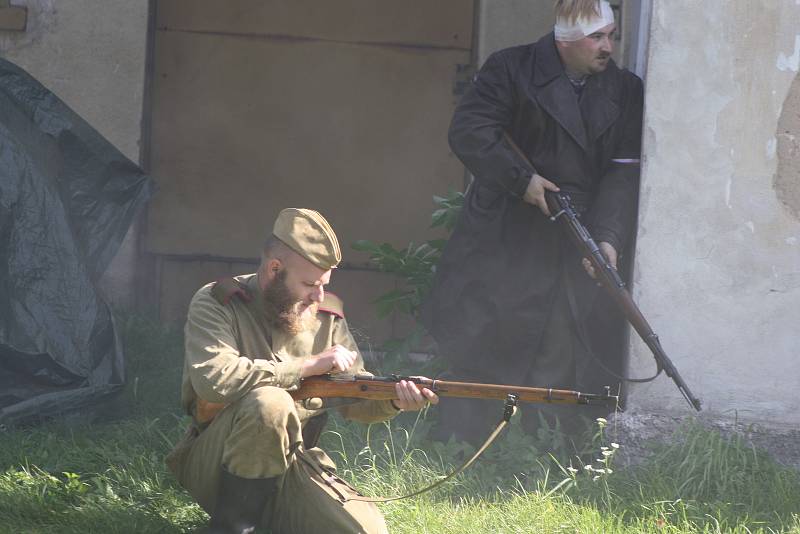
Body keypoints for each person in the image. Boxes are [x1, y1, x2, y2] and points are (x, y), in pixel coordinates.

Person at [422, 0, 643, 444]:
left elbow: (622, 171)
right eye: (596, 37)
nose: (608, 47)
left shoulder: (625, 90)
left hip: (575, 231)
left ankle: (543, 454)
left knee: (561, 345)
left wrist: (608, 237)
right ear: (566, 39)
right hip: (507, 229)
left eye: (612, 35)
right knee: (487, 339)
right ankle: (466, 446)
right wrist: (523, 181)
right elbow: (470, 131)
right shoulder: (511, 68)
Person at [166, 208, 438, 534]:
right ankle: (232, 527)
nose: (318, 295)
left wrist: (395, 400)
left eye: (324, 283)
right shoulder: (217, 302)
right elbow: (215, 380)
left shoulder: (326, 315)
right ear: (274, 269)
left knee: (366, 532)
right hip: (218, 463)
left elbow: (354, 397)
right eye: (310, 283)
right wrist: (307, 367)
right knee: (270, 403)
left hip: (292, 462)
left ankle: (269, 516)